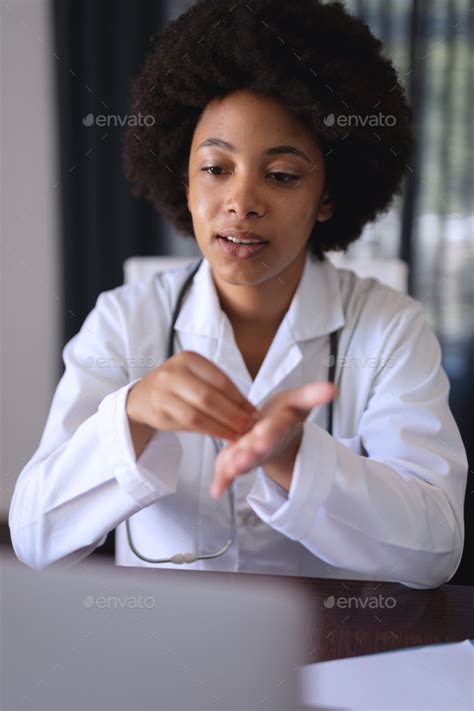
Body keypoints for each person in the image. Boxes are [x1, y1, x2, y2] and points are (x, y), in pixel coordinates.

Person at [9, 0, 467, 588]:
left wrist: (294, 455)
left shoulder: (389, 326)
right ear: (183, 175)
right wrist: (133, 415)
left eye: (280, 175)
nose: (241, 202)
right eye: (215, 168)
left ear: (328, 196)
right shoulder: (124, 321)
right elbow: (33, 538)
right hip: (169, 643)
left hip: (329, 651)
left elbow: (437, 551)